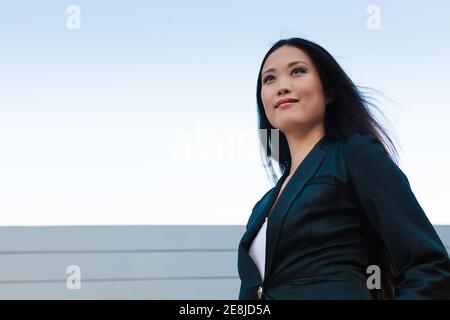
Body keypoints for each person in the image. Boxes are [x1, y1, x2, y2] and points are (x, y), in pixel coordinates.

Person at [237, 37, 450, 300]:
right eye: (269, 79)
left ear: (329, 92)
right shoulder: (262, 206)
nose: (282, 86)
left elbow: (429, 266)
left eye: (297, 71)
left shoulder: (354, 154)